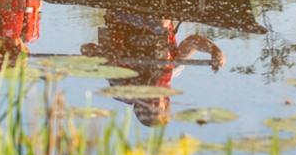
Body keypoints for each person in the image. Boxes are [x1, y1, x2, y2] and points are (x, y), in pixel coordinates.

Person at [81, 9, 225, 126]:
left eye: (143, 104)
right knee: (160, 24)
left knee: (159, 23)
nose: (149, 99)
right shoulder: (173, 68)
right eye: (155, 104)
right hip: (158, 10)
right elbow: (193, 42)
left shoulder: (118, 80)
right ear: (166, 100)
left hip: (122, 11)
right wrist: (214, 50)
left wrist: (99, 54)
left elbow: (87, 48)